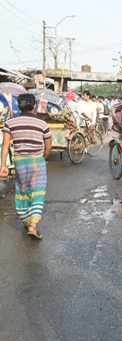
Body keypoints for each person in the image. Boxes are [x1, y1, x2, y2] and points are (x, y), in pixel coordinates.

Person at [0, 93, 53, 240]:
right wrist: (43, 158)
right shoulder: (42, 123)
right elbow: (48, 146)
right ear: (34, 106)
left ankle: (25, 220)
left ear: (19, 106)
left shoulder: (10, 122)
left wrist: (3, 165)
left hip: (19, 161)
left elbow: (5, 145)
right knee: (37, 192)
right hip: (37, 161)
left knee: (22, 191)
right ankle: (33, 225)